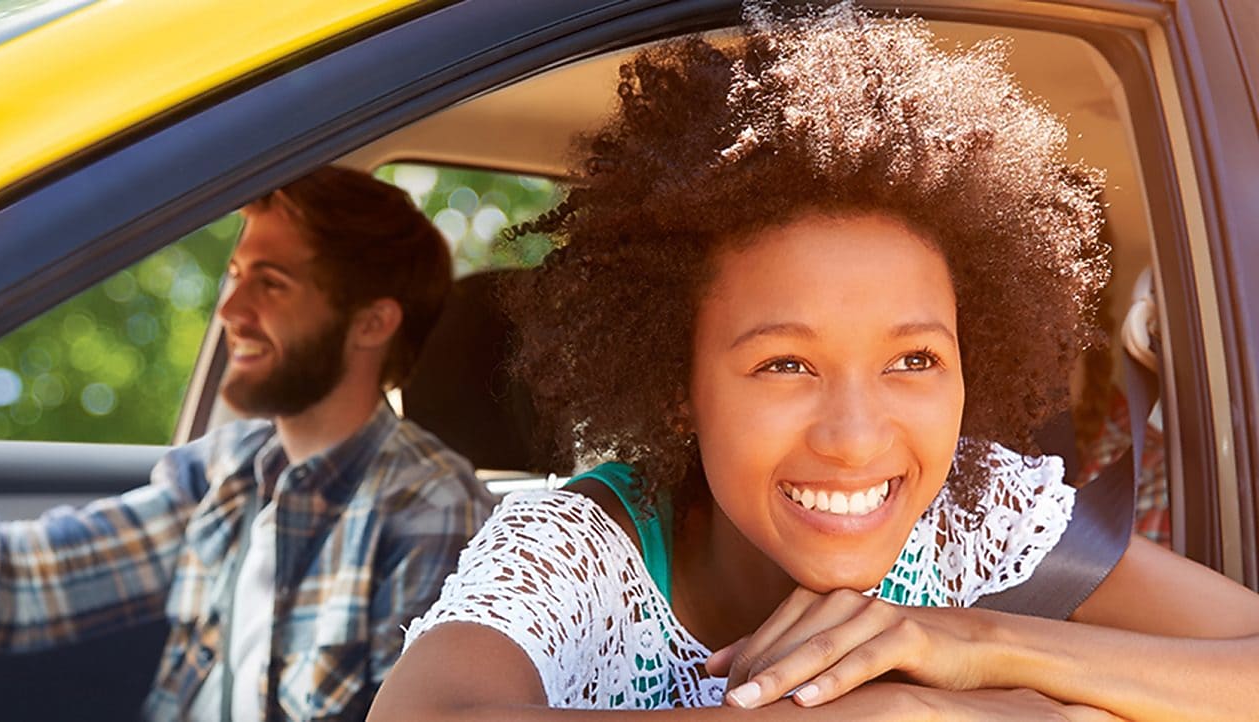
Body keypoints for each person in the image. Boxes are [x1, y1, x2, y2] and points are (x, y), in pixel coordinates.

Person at [369, 4, 1259, 720]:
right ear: (679, 388)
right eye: (786, 365)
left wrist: (977, 646)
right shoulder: (579, 554)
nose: (855, 438)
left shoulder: (970, 513)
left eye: (913, 359)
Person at [0, 166, 495, 720]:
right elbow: (20, 586)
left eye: (270, 283)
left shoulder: (432, 510)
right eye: (236, 275)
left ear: (371, 323)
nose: (229, 309)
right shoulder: (228, 468)